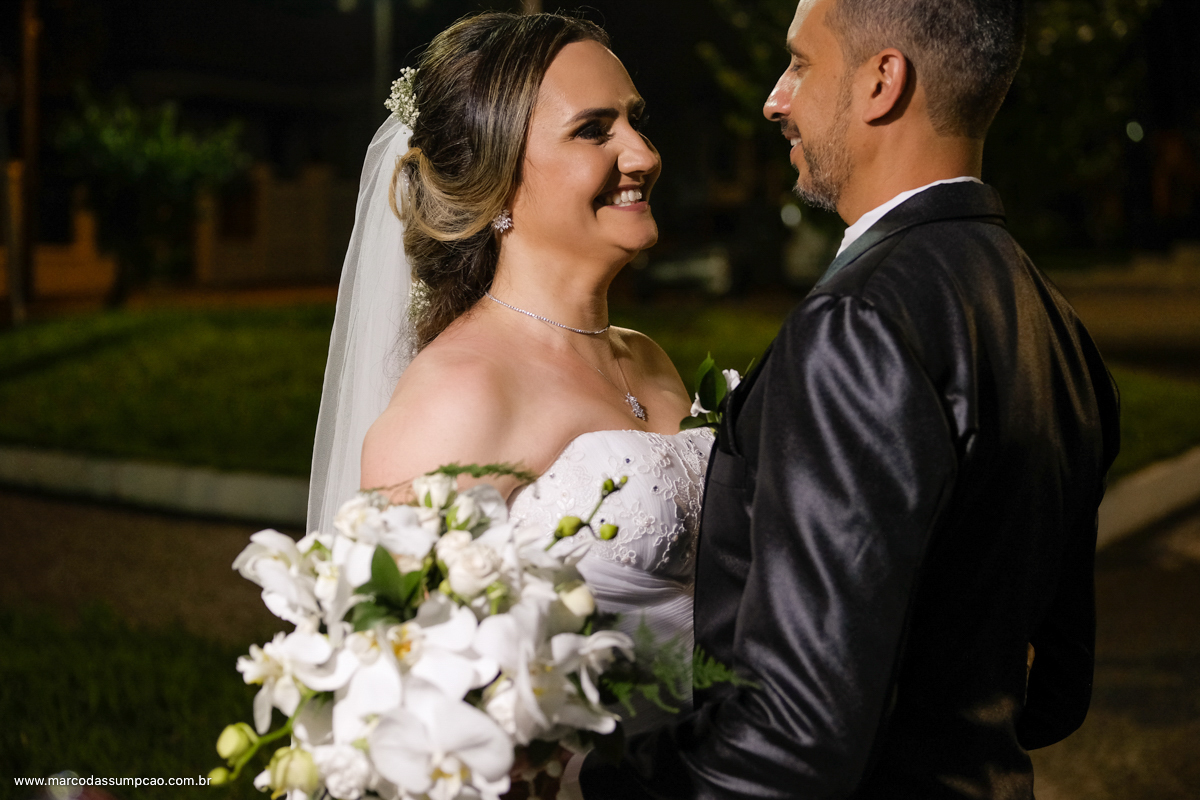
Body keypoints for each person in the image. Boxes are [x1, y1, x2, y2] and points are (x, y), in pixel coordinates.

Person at [576, 0, 1121, 797]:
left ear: (881, 82)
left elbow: (795, 740)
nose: (775, 98)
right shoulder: (1053, 322)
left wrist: (598, 783)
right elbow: (1055, 693)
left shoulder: (857, 323)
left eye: (800, 63)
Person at [306, 11, 710, 736]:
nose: (643, 154)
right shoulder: (460, 393)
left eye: (635, 121)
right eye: (594, 130)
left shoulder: (648, 358)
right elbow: (401, 704)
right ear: (496, 182)